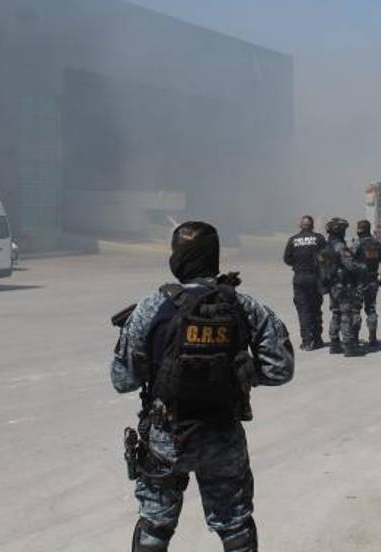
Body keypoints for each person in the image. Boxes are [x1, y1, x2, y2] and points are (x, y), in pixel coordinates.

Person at [111, 221, 294, 552]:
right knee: (235, 527)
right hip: (223, 436)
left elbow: (122, 380)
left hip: (166, 437)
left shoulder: (151, 307)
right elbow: (280, 369)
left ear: (177, 256)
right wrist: (236, 373)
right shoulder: (244, 306)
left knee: (154, 529)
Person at [320, 217, 368, 356]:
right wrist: (362, 267)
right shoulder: (340, 247)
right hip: (343, 285)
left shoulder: (326, 246)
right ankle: (348, 346)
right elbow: (350, 266)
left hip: (332, 285)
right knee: (346, 314)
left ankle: (334, 343)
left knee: (335, 313)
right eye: (344, 230)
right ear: (339, 231)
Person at [283, 215, 327, 350]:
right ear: (312, 226)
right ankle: (317, 339)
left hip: (300, 279)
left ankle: (307, 341)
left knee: (303, 310)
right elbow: (326, 257)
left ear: (301, 226)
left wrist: (298, 264)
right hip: (315, 278)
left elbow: (287, 259)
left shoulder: (293, 240)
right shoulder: (319, 239)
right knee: (315, 309)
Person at [353, 219, 381, 347]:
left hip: (358, 282)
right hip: (373, 281)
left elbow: (348, 262)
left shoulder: (356, 244)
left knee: (355, 310)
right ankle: (373, 338)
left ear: (360, 230)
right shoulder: (377, 244)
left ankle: (354, 338)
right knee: (371, 309)